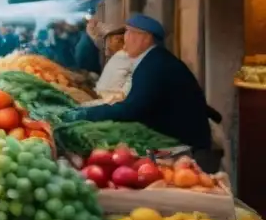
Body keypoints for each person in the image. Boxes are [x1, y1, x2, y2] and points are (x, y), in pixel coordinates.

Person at [62, 14, 215, 170]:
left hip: (186, 146)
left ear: (146, 38)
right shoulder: (154, 59)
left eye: (129, 32)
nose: (124, 39)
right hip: (179, 137)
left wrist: (87, 114)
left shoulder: (155, 65)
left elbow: (132, 109)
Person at [95, 26, 132, 97]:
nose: (108, 45)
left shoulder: (122, 57)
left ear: (118, 40)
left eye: (110, 41)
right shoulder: (118, 56)